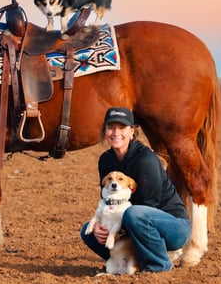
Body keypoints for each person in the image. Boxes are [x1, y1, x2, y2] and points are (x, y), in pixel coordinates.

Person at [80, 107, 191, 272]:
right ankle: (135, 262)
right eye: (111, 127)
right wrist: (100, 226)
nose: (116, 133)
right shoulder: (105, 160)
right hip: (135, 223)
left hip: (173, 226)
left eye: (122, 127)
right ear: (105, 132)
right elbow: (107, 201)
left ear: (132, 131)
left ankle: (159, 265)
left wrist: (120, 232)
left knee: (135, 214)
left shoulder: (145, 160)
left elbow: (149, 206)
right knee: (87, 231)